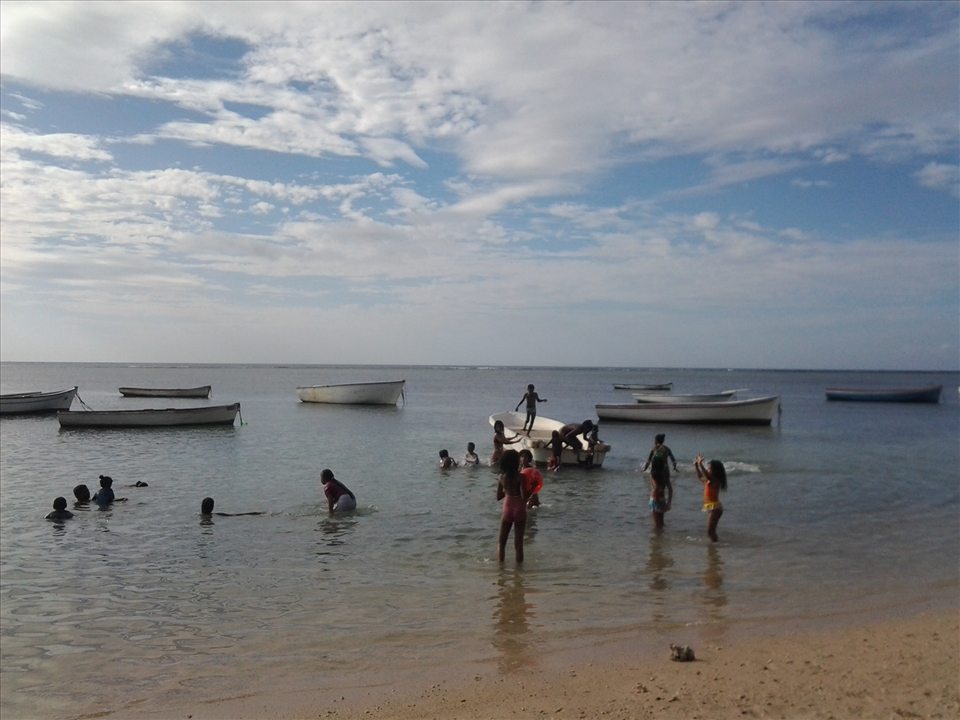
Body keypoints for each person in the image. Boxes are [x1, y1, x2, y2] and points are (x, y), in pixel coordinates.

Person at [496, 449, 529, 562]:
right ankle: (519, 572)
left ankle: (501, 570)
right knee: (518, 543)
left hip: (508, 507)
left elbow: (498, 497)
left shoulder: (501, 477)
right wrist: (533, 487)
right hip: (519, 508)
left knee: (501, 542)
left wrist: (508, 492)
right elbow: (524, 497)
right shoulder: (521, 477)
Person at [695, 454, 727, 542]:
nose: (708, 470)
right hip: (711, 507)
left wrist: (701, 464)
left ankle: (715, 546)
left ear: (715, 471)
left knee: (710, 530)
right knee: (710, 530)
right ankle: (714, 545)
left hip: (715, 508)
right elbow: (700, 477)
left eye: (709, 468)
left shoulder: (716, 481)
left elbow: (707, 475)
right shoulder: (708, 481)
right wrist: (696, 466)